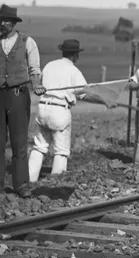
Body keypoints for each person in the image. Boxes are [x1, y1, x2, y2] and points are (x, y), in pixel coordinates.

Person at [0, 4, 45, 197]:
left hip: (19, 96)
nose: (1, 24)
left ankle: (22, 186)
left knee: (19, 142)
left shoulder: (28, 42)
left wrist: (36, 84)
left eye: (5, 21)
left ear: (12, 23)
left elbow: (34, 69)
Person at [28, 40, 116, 181]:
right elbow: (85, 95)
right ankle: (55, 183)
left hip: (42, 108)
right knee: (61, 151)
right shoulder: (73, 71)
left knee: (39, 147)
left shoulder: (50, 65)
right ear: (75, 55)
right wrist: (105, 101)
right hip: (59, 110)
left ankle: (29, 179)